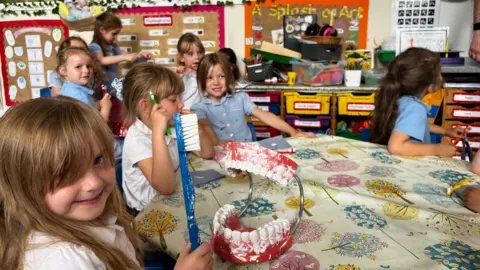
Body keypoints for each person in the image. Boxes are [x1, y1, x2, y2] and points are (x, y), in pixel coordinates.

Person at [0, 96, 213, 269]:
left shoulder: (93, 217)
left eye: (98, 160)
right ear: (22, 184)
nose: (93, 183)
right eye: (65, 174)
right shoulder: (65, 261)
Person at [122, 63, 214, 212]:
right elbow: (166, 187)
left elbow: (206, 153)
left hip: (170, 200)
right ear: (146, 106)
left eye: (180, 97)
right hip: (146, 211)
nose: (181, 104)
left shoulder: (171, 126)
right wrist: (158, 133)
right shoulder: (137, 139)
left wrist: (197, 128)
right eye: (173, 100)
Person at [191, 53, 316, 145]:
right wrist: (217, 143)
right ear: (201, 80)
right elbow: (205, 128)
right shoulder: (199, 109)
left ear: (228, 77)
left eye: (221, 76)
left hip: (247, 155)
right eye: (209, 78)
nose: (216, 82)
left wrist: (292, 132)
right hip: (221, 157)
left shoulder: (241, 98)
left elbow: (264, 115)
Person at [370, 47, 464, 157]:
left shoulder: (401, 99)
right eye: (439, 73)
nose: (441, 77)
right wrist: (437, 149)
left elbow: (414, 125)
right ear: (429, 86)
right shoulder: (415, 109)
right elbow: (395, 147)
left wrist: (445, 131)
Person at [57, 47, 111, 121]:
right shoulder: (79, 96)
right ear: (63, 71)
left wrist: (97, 104)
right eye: (78, 66)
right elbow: (95, 129)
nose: (86, 70)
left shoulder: (68, 89)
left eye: (88, 66)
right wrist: (106, 108)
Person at [176, 33, 205, 109]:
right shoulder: (179, 75)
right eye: (190, 54)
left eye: (199, 53)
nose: (196, 57)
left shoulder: (205, 73)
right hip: (185, 113)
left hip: (201, 114)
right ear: (181, 57)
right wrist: (178, 78)